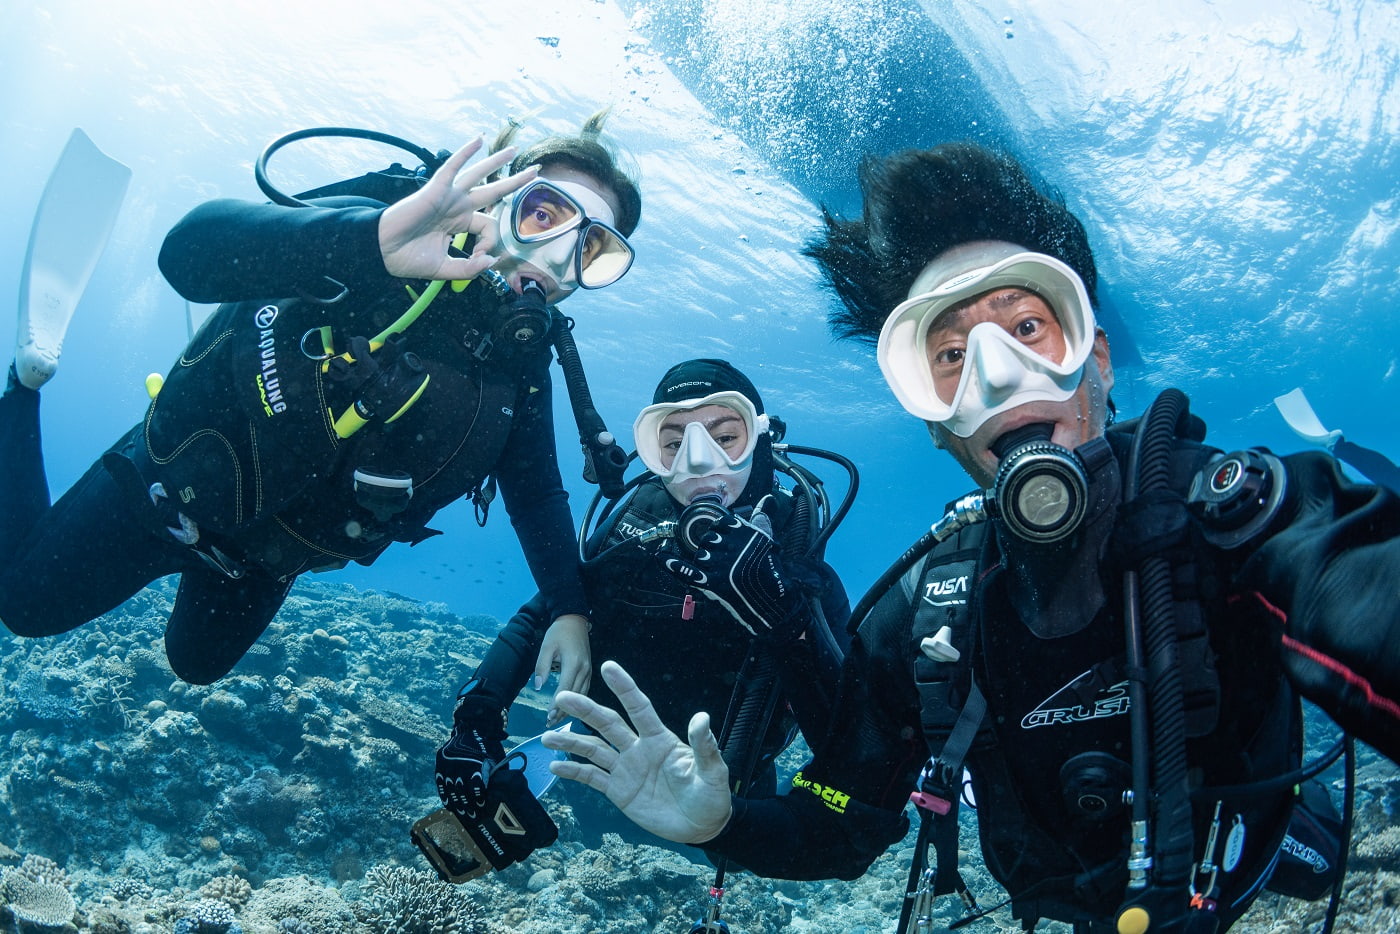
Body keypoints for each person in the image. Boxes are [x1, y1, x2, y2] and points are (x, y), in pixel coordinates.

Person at [539, 142, 1400, 933]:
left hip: (1236, 863)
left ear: (1096, 359)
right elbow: (839, 823)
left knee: (1313, 864)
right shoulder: (922, 612)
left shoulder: (1230, 515)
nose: (994, 375)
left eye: (1028, 328)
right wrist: (723, 822)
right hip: (1061, 905)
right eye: (948, 357)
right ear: (934, 423)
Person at [0, 112, 641, 685]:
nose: (557, 257)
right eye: (544, 213)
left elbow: (535, 489)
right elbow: (188, 252)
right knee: (23, 608)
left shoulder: (520, 356)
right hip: (163, 489)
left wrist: (569, 608)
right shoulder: (395, 218)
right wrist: (372, 241)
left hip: (257, 560)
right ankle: (23, 386)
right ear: (503, 196)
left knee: (196, 666)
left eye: (590, 248)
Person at [431, 358, 851, 873]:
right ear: (652, 454)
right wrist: (474, 721)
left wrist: (782, 615)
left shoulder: (795, 552)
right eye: (673, 444)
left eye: (725, 437)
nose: (699, 462)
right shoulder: (639, 522)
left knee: (730, 859)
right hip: (601, 756)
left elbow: (848, 734)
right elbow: (550, 609)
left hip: (717, 784)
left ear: (761, 440)